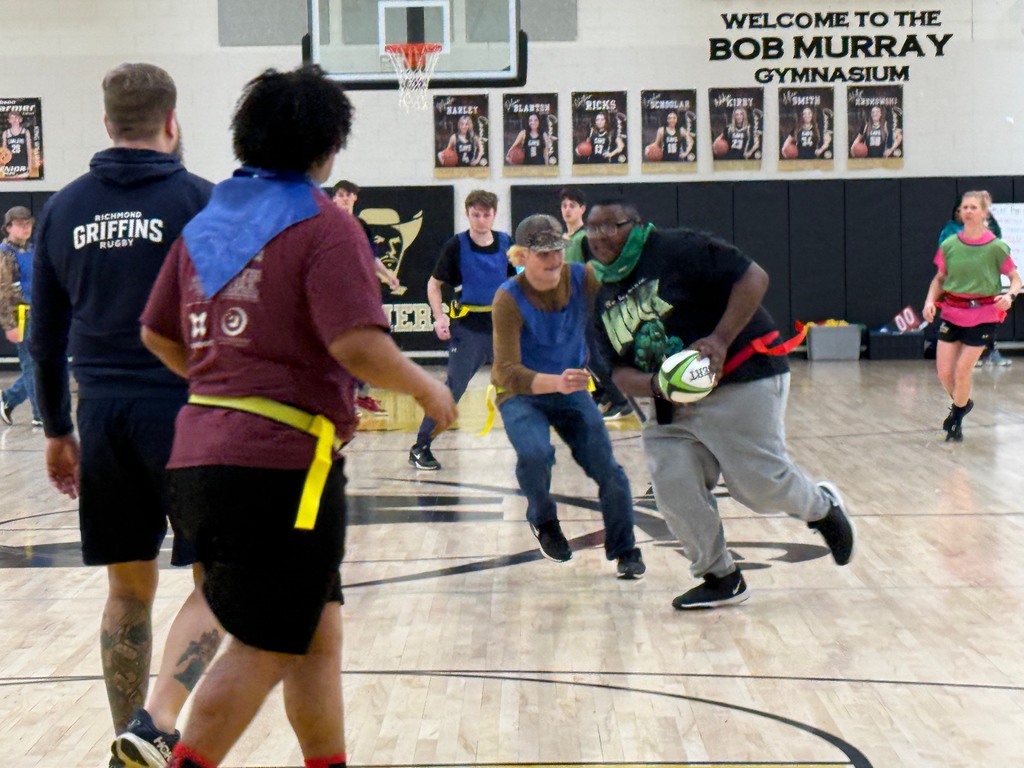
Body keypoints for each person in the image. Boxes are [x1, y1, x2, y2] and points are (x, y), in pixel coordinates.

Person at [138, 64, 457, 768]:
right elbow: (356, 345)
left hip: (196, 455)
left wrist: (228, 386)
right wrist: (431, 392)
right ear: (328, 148)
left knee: (317, 634)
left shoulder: (204, 225)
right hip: (281, 467)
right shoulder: (325, 224)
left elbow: (158, 334)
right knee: (267, 641)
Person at [29, 62, 222, 768]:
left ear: (107, 124)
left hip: (102, 416)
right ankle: (156, 725)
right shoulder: (203, 201)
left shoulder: (62, 208)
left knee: (126, 588)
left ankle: (129, 745)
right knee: (219, 583)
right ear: (172, 122)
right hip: (189, 413)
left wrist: (57, 430)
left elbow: (44, 342)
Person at [582, 199, 855, 609]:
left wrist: (721, 339)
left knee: (759, 489)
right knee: (673, 488)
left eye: (610, 226)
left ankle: (821, 507)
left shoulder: (678, 248)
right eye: (592, 229)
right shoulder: (601, 296)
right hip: (669, 405)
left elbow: (754, 278)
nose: (600, 237)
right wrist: (656, 384)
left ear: (635, 225)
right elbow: (618, 373)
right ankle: (720, 575)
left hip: (740, 376)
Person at [491, 214, 645, 577]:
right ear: (521, 256)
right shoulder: (507, 299)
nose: (554, 260)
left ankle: (625, 550)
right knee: (535, 453)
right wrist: (556, 382)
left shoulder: (583, 277)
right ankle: (543, 520)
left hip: (571, 389)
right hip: (522, 394)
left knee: (610, 472)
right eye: (543, 254)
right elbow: (506, 372)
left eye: (558, 250)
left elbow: (623, 297)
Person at [409, 190, 514, 471]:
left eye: (486, 214)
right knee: (453, 390)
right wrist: (439, 316)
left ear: (495, 214)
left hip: (502, 330)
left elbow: (519, 284)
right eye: (476, 214)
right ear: (467, 214)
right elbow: (434, 285)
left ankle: (531, 446)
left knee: (520, 385)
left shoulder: (506, 243)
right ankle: (420, 446)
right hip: (467, 331)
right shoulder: (456, 246)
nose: (481, 219)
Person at [922, 190, 1020, 442]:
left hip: (984, 313)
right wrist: (930, 301)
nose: (968, 211)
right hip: (953, 312)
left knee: (962, 371)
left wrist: (1009, 296)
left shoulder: (996, 247)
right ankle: (962, 405)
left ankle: (956, 417)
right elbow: (940, 278)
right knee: (945, 372)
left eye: (973, 207)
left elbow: (1015, 279)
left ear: (984, 213)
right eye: (964, 207)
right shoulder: (950, 245)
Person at [559, 187, 631, 421]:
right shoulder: (564, 240)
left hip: (587, 304)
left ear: (582, 209)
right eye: (564, 205)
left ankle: (620, 400)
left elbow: (595, 273)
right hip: (570, 305)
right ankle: (602, 393)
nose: (567, 209)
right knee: (578, 354)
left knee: (591, 354)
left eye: (572, 205)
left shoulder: (586, 238)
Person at [331, 179, 400, 417]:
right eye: (340, 194)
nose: (345, 199)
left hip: (358, 292)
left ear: (355, 199)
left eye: (349, 195)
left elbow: (371, 258)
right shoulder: (325, 224)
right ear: (334, 198)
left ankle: (361, 396)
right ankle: (340, 398)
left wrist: (388, 275)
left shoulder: (361, 226)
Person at [0, 206, 42, 426]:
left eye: (28, 223)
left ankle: (9, 398)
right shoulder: (4, 253)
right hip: (21, 314)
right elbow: (3, 291)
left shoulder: (34, 249)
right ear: (8, 227)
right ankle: (39, 415)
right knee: (31, 364)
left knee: (45, 362)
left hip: (40, 312)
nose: (25, 228)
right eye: (19, 224)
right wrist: (9, 325)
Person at [1, 111, 33, 179]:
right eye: (12, 118)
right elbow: (4, 151)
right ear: (9, 120)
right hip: (10, 166)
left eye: (16, 117)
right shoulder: (6, 133)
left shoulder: (25, 132)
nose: (14, 120)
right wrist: (3, 165)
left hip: (23, 164)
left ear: (20, 119)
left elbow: (29, 149)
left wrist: (30, 164)